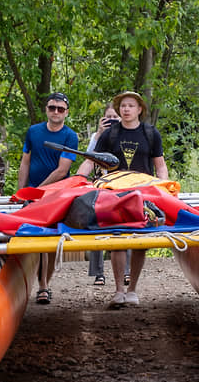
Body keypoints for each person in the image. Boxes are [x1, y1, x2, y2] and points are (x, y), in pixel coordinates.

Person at [76, 91, 168, 308]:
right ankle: (118, 291)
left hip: (143, 193)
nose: (126, 109)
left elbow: (160, 166)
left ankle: (132, 290)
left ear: (139, 109)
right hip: (114, 193)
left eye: (130, 106)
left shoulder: (151, 133)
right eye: (123, 106)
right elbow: (91, 161)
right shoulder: (110, 134)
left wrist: (163, 188)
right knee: (117, 240)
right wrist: (79, 180)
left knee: (140, 242)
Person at [18, 92, 80, 305]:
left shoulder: (70, 137)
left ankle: (44, 285)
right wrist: (21, 191)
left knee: (51, 241)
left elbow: (62, 170)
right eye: (52, 107)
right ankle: (35, 283)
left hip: (57, 195)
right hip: (32, 194)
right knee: (34, 239)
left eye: (60, 109)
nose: (56, 112)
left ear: (66, 112)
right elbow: (25, 162)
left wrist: (38, 192)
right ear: (46, 109)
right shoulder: (33, 132)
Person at [86, 103, 121, 286]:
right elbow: (90, 157)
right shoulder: (97, 136)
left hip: (121, 186)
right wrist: (99, 134)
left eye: (115, 118)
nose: (112, 121)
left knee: (124, 226)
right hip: (101, 185)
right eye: (109, 118)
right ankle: (98, 272)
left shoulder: (126, 136)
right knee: (97, 225)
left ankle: (125, 271)